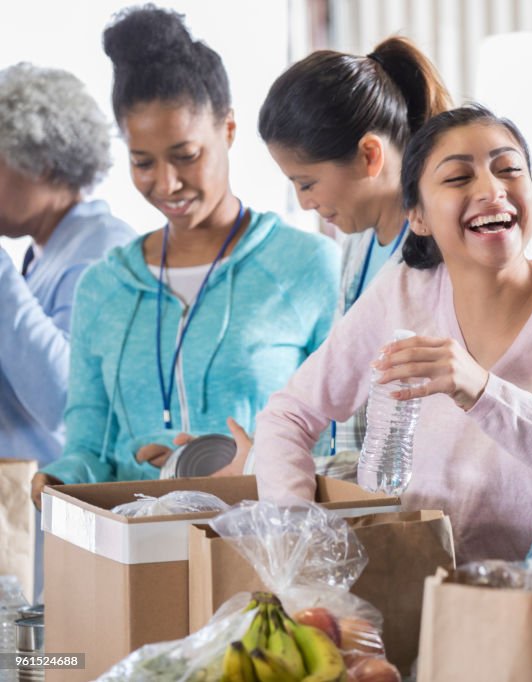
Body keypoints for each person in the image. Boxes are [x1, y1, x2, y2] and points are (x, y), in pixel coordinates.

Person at [253, 105, 532, 561]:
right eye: (458, 178)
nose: (493, 189)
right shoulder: (404, 290)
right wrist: (299, 542)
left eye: (510, 170)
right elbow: (288, 416)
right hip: (412, 589)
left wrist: (482, 390)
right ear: (417, 216)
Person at [31, 5, 339, 504]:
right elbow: (87, 445)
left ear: (229, 130)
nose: (167, 184)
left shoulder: (305, 266)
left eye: (185, 156)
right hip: (137, 560)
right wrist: (58, 479)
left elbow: (347, 439)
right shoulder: (103, 286)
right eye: (143, 163)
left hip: (262, 551)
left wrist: (260, 461)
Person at [258, 37, 451, 470]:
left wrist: (269, 464)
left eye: (307, 183)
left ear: (369, 155)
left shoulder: (437, 257)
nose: (304, 202)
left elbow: (414, 445)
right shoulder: (358, 245)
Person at [0, 62, 136, 601]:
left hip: (43, 510)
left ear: (45, 163)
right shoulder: (43, 254)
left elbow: (65, 400)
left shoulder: (102, 252)